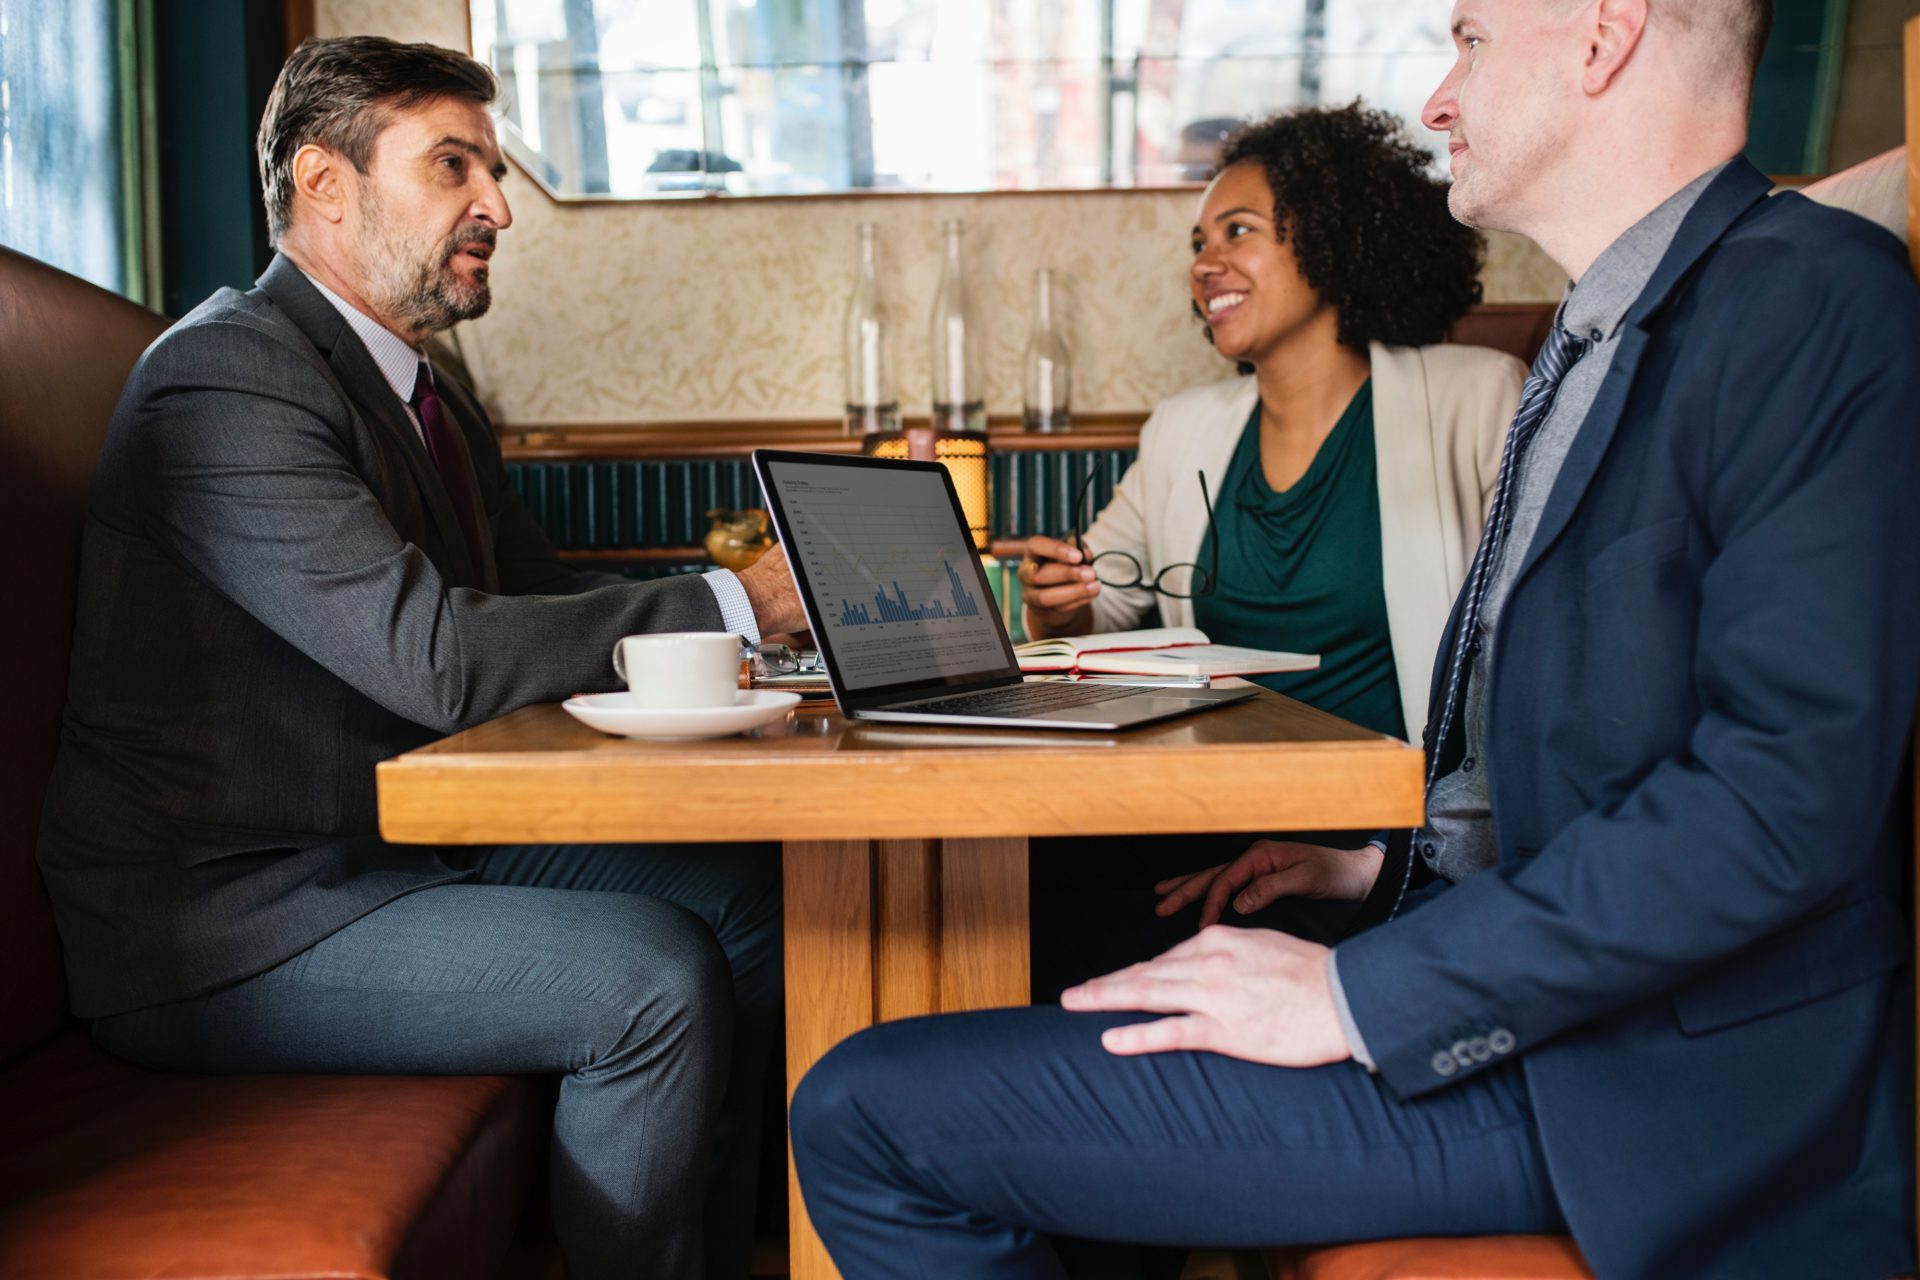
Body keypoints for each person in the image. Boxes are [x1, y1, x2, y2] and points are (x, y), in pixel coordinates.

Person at [790, 1, 1920, 1277]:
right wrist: (1376, 867)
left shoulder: (1809, 298)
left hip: (1647, 1088)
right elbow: (1586, 755)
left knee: (864, 1110)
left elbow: (1779, 801)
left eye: (1472, 43)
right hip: (1544, 1003)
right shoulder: (1606, 337)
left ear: (1605, 37)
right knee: (1047, 989)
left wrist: (1351, 994)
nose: (1439, 100)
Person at [35, 36, 805, 1280]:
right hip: (234, 910)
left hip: (397, 834)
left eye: (490, 170)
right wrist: (730, 600)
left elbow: (532, 595)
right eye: (453, 164)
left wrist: (754, 624)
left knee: (757, 904)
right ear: (323, 182)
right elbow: (436, 655)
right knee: (654, 978)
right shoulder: (225, 376)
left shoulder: (425, 392)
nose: (496, 205)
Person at [1022, 104, 1523, 1004]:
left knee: (1069, 947)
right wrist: (1059, 601)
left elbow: (1524, 665)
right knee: (1006, 897)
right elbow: (1101, 598)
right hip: (1206, 810)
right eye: (1199, 240)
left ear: (1329, 243)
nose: (1204, 264)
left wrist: (1383, 854)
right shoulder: (1184, 430)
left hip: (1385, 840)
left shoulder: (1472, 399)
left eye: (1239, 232)